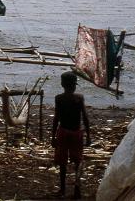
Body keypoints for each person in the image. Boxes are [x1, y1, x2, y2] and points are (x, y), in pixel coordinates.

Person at [51, 71, 91, 199]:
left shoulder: (59, 98)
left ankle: (62, 190)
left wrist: (52, 136)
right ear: (74, 85)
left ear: (62, 84)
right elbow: (85, 117)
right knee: (78, 161)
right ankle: (77, 189)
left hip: (63, 132)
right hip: (76, 133)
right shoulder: (79, 98)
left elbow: (56, 118)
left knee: (62, 162)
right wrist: (89, 135)